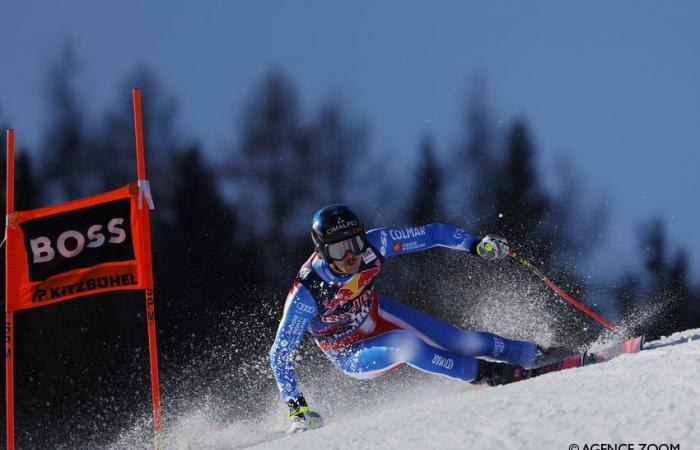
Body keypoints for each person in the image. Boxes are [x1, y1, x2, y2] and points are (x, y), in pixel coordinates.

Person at [269, 204, 539, 432]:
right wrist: (297, 409)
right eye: (339, 250)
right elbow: (279, 353)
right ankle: (487, 373)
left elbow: (431, 233)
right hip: (350, 352)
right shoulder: (307, 293)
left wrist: (476, 245)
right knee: (405, 345)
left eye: (356, 242)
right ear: (324, 253)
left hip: (379, 313)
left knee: (460, 340)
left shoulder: (376, 245)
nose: (351, 255)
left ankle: (531, 354)